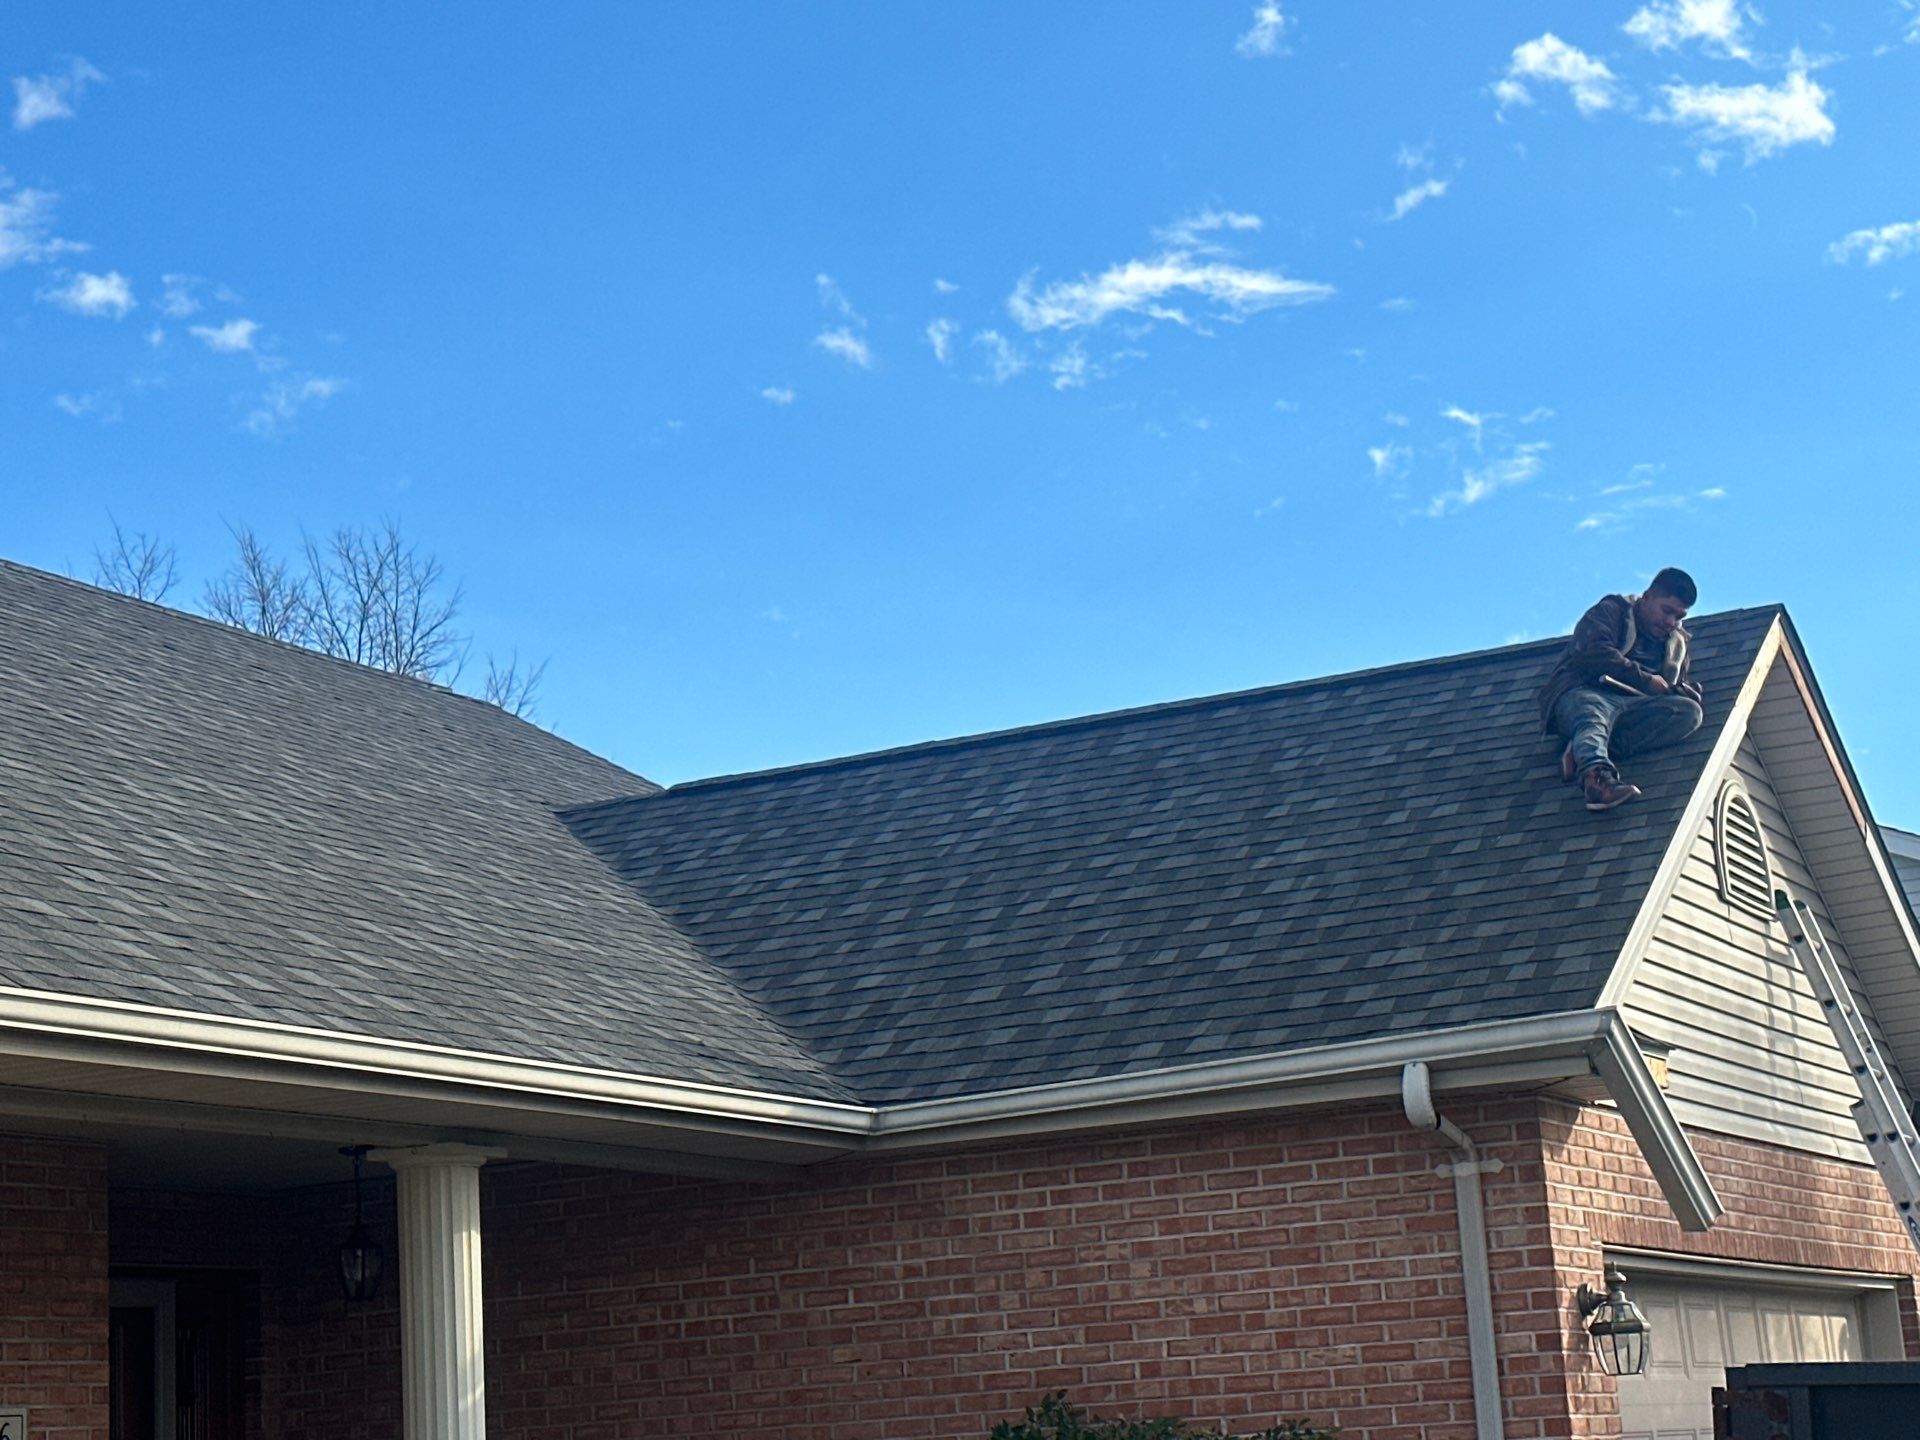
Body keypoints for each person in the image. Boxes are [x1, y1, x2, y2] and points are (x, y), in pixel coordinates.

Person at [1538, 568, 1704, 812]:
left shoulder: (1676, 644)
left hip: (1632, 706)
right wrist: (1645, 680)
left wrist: (1681, 691)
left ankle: (1582, 750)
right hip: (1585, 691)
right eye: (1666, 610)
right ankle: (1597, 781)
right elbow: (1592, 653)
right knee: (1592, 715)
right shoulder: (1612, 611)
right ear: (1646, 597)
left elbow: (1669, 685)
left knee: (1689, 713)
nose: (1670, 622)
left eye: (1679, 617)